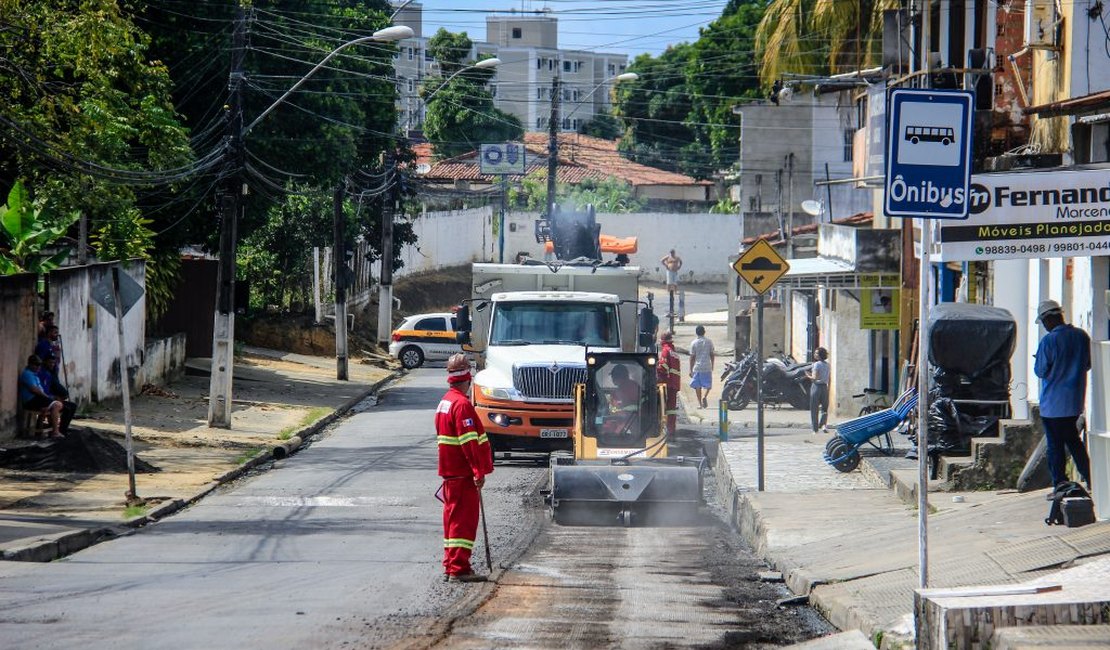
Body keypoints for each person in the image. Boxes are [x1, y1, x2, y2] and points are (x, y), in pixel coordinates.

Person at [436, 353, 495, 583]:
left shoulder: (445, 402)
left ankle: (451, 564)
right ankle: (459, 568)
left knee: (451, 521)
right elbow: (469, 442)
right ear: (467, 379)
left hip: (451, 475)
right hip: (462, 475)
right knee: (463, 522)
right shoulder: (461, 406)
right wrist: (478, 471)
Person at [1032, 300, 1092, 488]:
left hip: (1053, 405)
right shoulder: (1082, 336)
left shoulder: (1049, 341)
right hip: (1074, 402)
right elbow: (1088, 364)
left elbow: (1040, 370)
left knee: (1055, 446)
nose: (1044, 326)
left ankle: (1059, 483)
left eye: (1043, 322)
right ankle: (1090, 477)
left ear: (1048, 319)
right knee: (1074, 441)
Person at [18, 355, 64, 438]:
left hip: (36, 399)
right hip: (31, 400)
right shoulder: (27, 374)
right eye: (36, 365)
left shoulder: (34, 374)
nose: (38, 367)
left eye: (39, 365)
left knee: (58, 404)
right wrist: (46, 397)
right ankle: (55, 432)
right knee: (57, 405)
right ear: (30, 364)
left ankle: (52, 429)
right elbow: (34, 390)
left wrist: (48, 397)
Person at [38, 354, 76, 434]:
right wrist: (53, 397)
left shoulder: (52, 373)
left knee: (73, 406)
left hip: (51, 398)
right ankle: (59, 431)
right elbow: (42, 390)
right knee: (67, 408)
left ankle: (62, 429)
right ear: (45, 362)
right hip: (46, 399)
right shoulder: (43, 374)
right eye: (50, 363)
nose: (52, 364)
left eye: (53, 363)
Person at [656, 331, 681, 436]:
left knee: (662, 406)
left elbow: (663, 367)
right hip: (674, 383)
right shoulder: (674, 352)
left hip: (667, 382)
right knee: (672, 409)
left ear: (663, 341)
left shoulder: (666, 350)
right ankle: (671, 429)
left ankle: (662, 429)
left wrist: (655, 368)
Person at [689, 325, 715, 409]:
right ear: (704, 332)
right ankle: (704, 396)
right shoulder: (709, 342)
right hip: (707, 366)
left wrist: (690, 369)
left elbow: (692, 357)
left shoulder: (694, 343)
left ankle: (700, 404)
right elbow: (712, 354)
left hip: (697, 367)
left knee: (697, 386)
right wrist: (712, 365)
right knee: (708, 385)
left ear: (696, 333)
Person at [807, 347, 830, 434]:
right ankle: (823, 424)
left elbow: (814, 378)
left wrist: (807, 375)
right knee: (824, 408)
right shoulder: (827, 365)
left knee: (814, 408)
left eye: (816, 353)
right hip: (824, 386)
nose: (815, 354)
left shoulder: (817, 364)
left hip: (816, 386)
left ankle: (815, 429)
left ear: (820, 355)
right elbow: (829, 377)